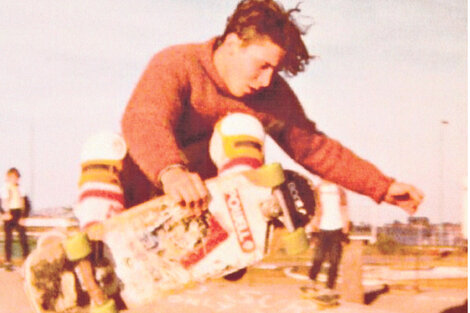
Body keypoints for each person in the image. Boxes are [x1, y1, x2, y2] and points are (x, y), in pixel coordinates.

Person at [121, 0, 423, 217]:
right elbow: (145, 118)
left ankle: (235, 218)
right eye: (262, 65)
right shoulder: (178, 63)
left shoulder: (272, 96)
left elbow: (315, 149)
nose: (266, 80)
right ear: (232, 43)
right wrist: (171, 172)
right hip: (149, 181)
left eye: (274, 70)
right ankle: (95, 239)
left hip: (205, 194)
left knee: (242, 126)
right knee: (103, 148)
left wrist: (382, 187)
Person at [303, 180, 349, 300]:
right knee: (318, 258)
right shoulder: (317, 190)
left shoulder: (339, 190)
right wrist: (312, 228)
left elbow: (344, 209)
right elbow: (314, 210)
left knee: (334, 260)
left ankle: (329, 287)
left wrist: (345, 229)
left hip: (337, 228)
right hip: (322, 228)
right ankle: (311, 282)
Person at [0, 168, 30, 270]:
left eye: (16, 177)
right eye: (12, 177)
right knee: (8, 238)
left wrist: (23, 216)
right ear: (8, 178)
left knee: (23, 237)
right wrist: (3, 214)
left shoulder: (21, 189)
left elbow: (27, 204)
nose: (14, 180)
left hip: (18, 213)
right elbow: (1, 204)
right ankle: (8, 260)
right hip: (9, 213)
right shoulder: (4, 189)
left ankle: (26, 259)